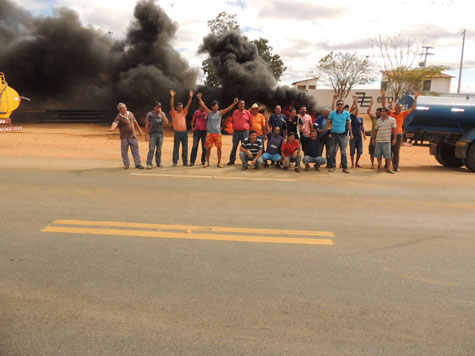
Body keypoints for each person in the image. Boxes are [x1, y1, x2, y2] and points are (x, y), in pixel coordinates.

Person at [382, 89, 421, 172]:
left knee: (396, 151)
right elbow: (384, 105)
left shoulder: (403, 114)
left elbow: (413, 108)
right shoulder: (391, 113)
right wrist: (383, 95)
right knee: (389, 150)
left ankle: (395, 167)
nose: (399, 109)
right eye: (398, 108)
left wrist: (416, 98)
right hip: (390, 134)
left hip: (399, 134)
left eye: (400, 108)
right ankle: (387, 166)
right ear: (395, 108)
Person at [196, 93, 238, 168]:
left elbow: (228, 109)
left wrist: (234, 103)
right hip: (210, 134)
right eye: (214, 106)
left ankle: (219, 162)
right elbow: (203, 106)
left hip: (218, 133)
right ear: (212, 107)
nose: (215, 107)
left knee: (219, 148)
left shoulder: (220, 113)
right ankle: (207, 161)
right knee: (208, 148)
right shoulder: (209, 112)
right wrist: (199, 98)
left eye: (216, 106)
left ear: (218, 107)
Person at [108, 102, 144, 169]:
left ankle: (138, 164)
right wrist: (112, 128)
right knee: (124, 151)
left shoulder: (130, 113)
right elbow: (115, 123)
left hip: (133, 136)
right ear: (120, 110)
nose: (125, 108)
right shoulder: (118, 117)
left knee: (135, 150)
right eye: (123, 108)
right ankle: (126, 164)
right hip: (124, 137)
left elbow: (135, 122)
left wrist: (139, 130)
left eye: (125, 107)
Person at [327, 98, 353, 173]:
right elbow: (328, 121)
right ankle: (332, 166)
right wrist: (328, 131)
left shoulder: (346, 113)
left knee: (343, 151)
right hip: (333, 134)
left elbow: (348, 123)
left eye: (341, 104)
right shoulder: (332, 113)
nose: (339, 105)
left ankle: (345, 167)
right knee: (332, 151)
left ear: (343, 105)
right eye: (338, 104)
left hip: (343, 135)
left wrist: (351, 133)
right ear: (336, 105)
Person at [170, 89, 193, 167]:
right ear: (176, 108)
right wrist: (172, 96)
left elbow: (188, 105)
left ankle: (185, 161)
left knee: (185, 147)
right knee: (176, 147)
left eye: (181, 107)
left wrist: (190, 97)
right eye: (179, 107)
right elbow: (171, 105)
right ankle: (175, 162)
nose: (181, 108)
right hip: (177, 132)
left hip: (184, 132)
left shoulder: (184, 112)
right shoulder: (174, 113)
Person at [145, 101, 169, 169]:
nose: (158, 108)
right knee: (151, 149)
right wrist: (146, 135)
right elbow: (147, 124)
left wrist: (161, 113)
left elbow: (166, 122)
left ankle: (159, 163)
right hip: (153, 134)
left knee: (159, 150)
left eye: (160, 107)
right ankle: (149, 163)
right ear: (154, 107)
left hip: (160, 134)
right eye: (157, 107)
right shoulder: (150, 114)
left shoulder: (162, 114)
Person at [227, 100, 251, 165]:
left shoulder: (247, 113)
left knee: (245, 147)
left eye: (243, 104)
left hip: (245, 132)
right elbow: (232, 121)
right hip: (236, 132)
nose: (242, 105)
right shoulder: (235, 112)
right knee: (234, 146)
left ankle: (244, 161)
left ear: (244, 105)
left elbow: (250, 122)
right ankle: (232, 160)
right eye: (241, 104)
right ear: (238, 105)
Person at [373, 107, 397, 174]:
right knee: (378, 155)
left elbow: (394, 130)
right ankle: (380, 167)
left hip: (387, 140)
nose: (381, 112)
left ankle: (388, 168)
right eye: (381, 111)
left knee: (388, 156)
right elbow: (376, 130)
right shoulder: (378, 120)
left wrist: (395, 138)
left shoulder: (392, 120)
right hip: (378, 140)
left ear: (387, 112)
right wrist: (373, 139)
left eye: (383, 111)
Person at [349, 96, 366, 168]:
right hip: (353, 136)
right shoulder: (350, 117)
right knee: (352, 151)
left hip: (359, 136)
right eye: (355, 111)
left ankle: (356, 163)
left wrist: (364, 134)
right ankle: (352, 163)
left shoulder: (360, 118)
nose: (357, 112)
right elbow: (355, 108)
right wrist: (355, 101)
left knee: (359, 151)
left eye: (357, 111)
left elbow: (362, 126)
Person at [367, 97, 383, 169]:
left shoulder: (383, 119)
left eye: (377, 112)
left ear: (381, 112)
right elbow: (368, 112)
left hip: (380, 138)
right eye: (376, 112)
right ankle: (372, 164)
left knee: (379, 152)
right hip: (373, 137)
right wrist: (371, 104)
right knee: (372, 151)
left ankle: (379, 165)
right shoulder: (374, 118)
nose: (376, 113)